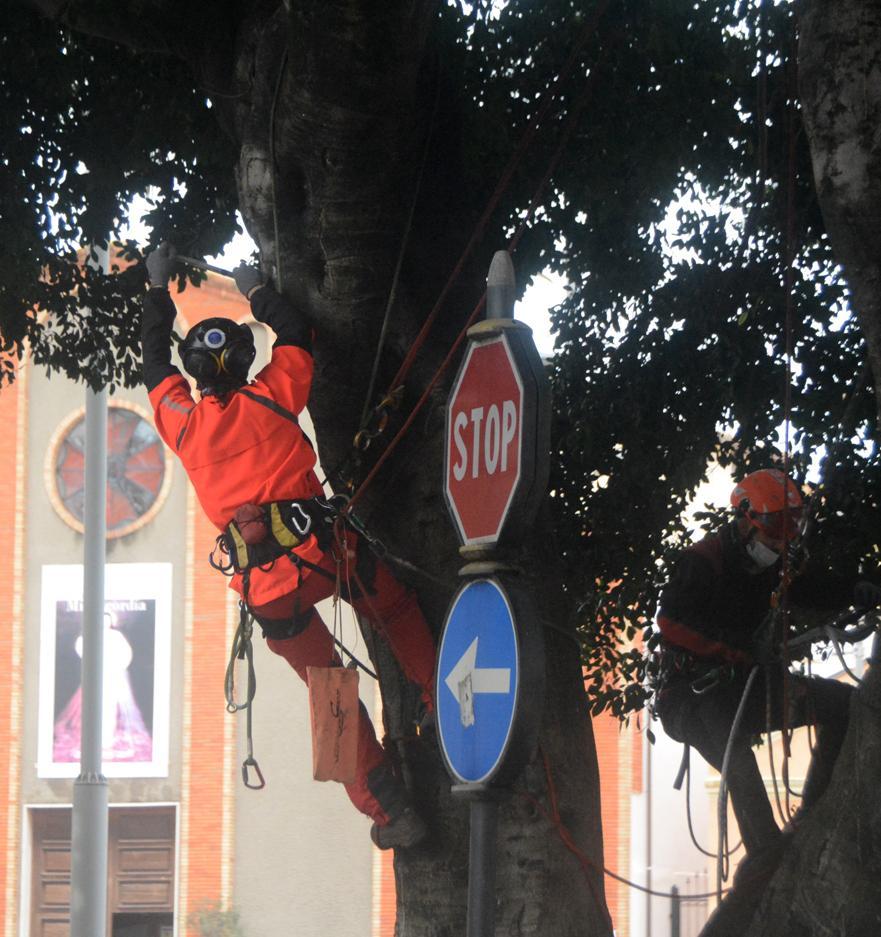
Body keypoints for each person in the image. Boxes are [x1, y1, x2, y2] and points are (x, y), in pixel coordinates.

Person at [140, 242, 436, 849]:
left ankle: (389, 810)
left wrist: (157, 287)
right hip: (326, 554)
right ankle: (442, 705)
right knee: (398, 609)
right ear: (245, 360)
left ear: (194, 374)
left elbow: (151, 364)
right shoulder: (274, 395)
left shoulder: (185, 426)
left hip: (267, 594)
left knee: (328, 686)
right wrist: (256, 291)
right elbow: (299, 333)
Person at [653, 468, 881, 876]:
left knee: (840, 704)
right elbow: (672, 622)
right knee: (737, 755)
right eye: (770, 538)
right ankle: (764, 857)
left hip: (748, 690)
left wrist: (857, 587)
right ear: (744, 522)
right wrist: (736, 648)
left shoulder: (771, 568)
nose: (776, 548)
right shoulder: (702, 562)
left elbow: (811, 590)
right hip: (693, 699)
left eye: (782, 541)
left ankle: (813, 816)